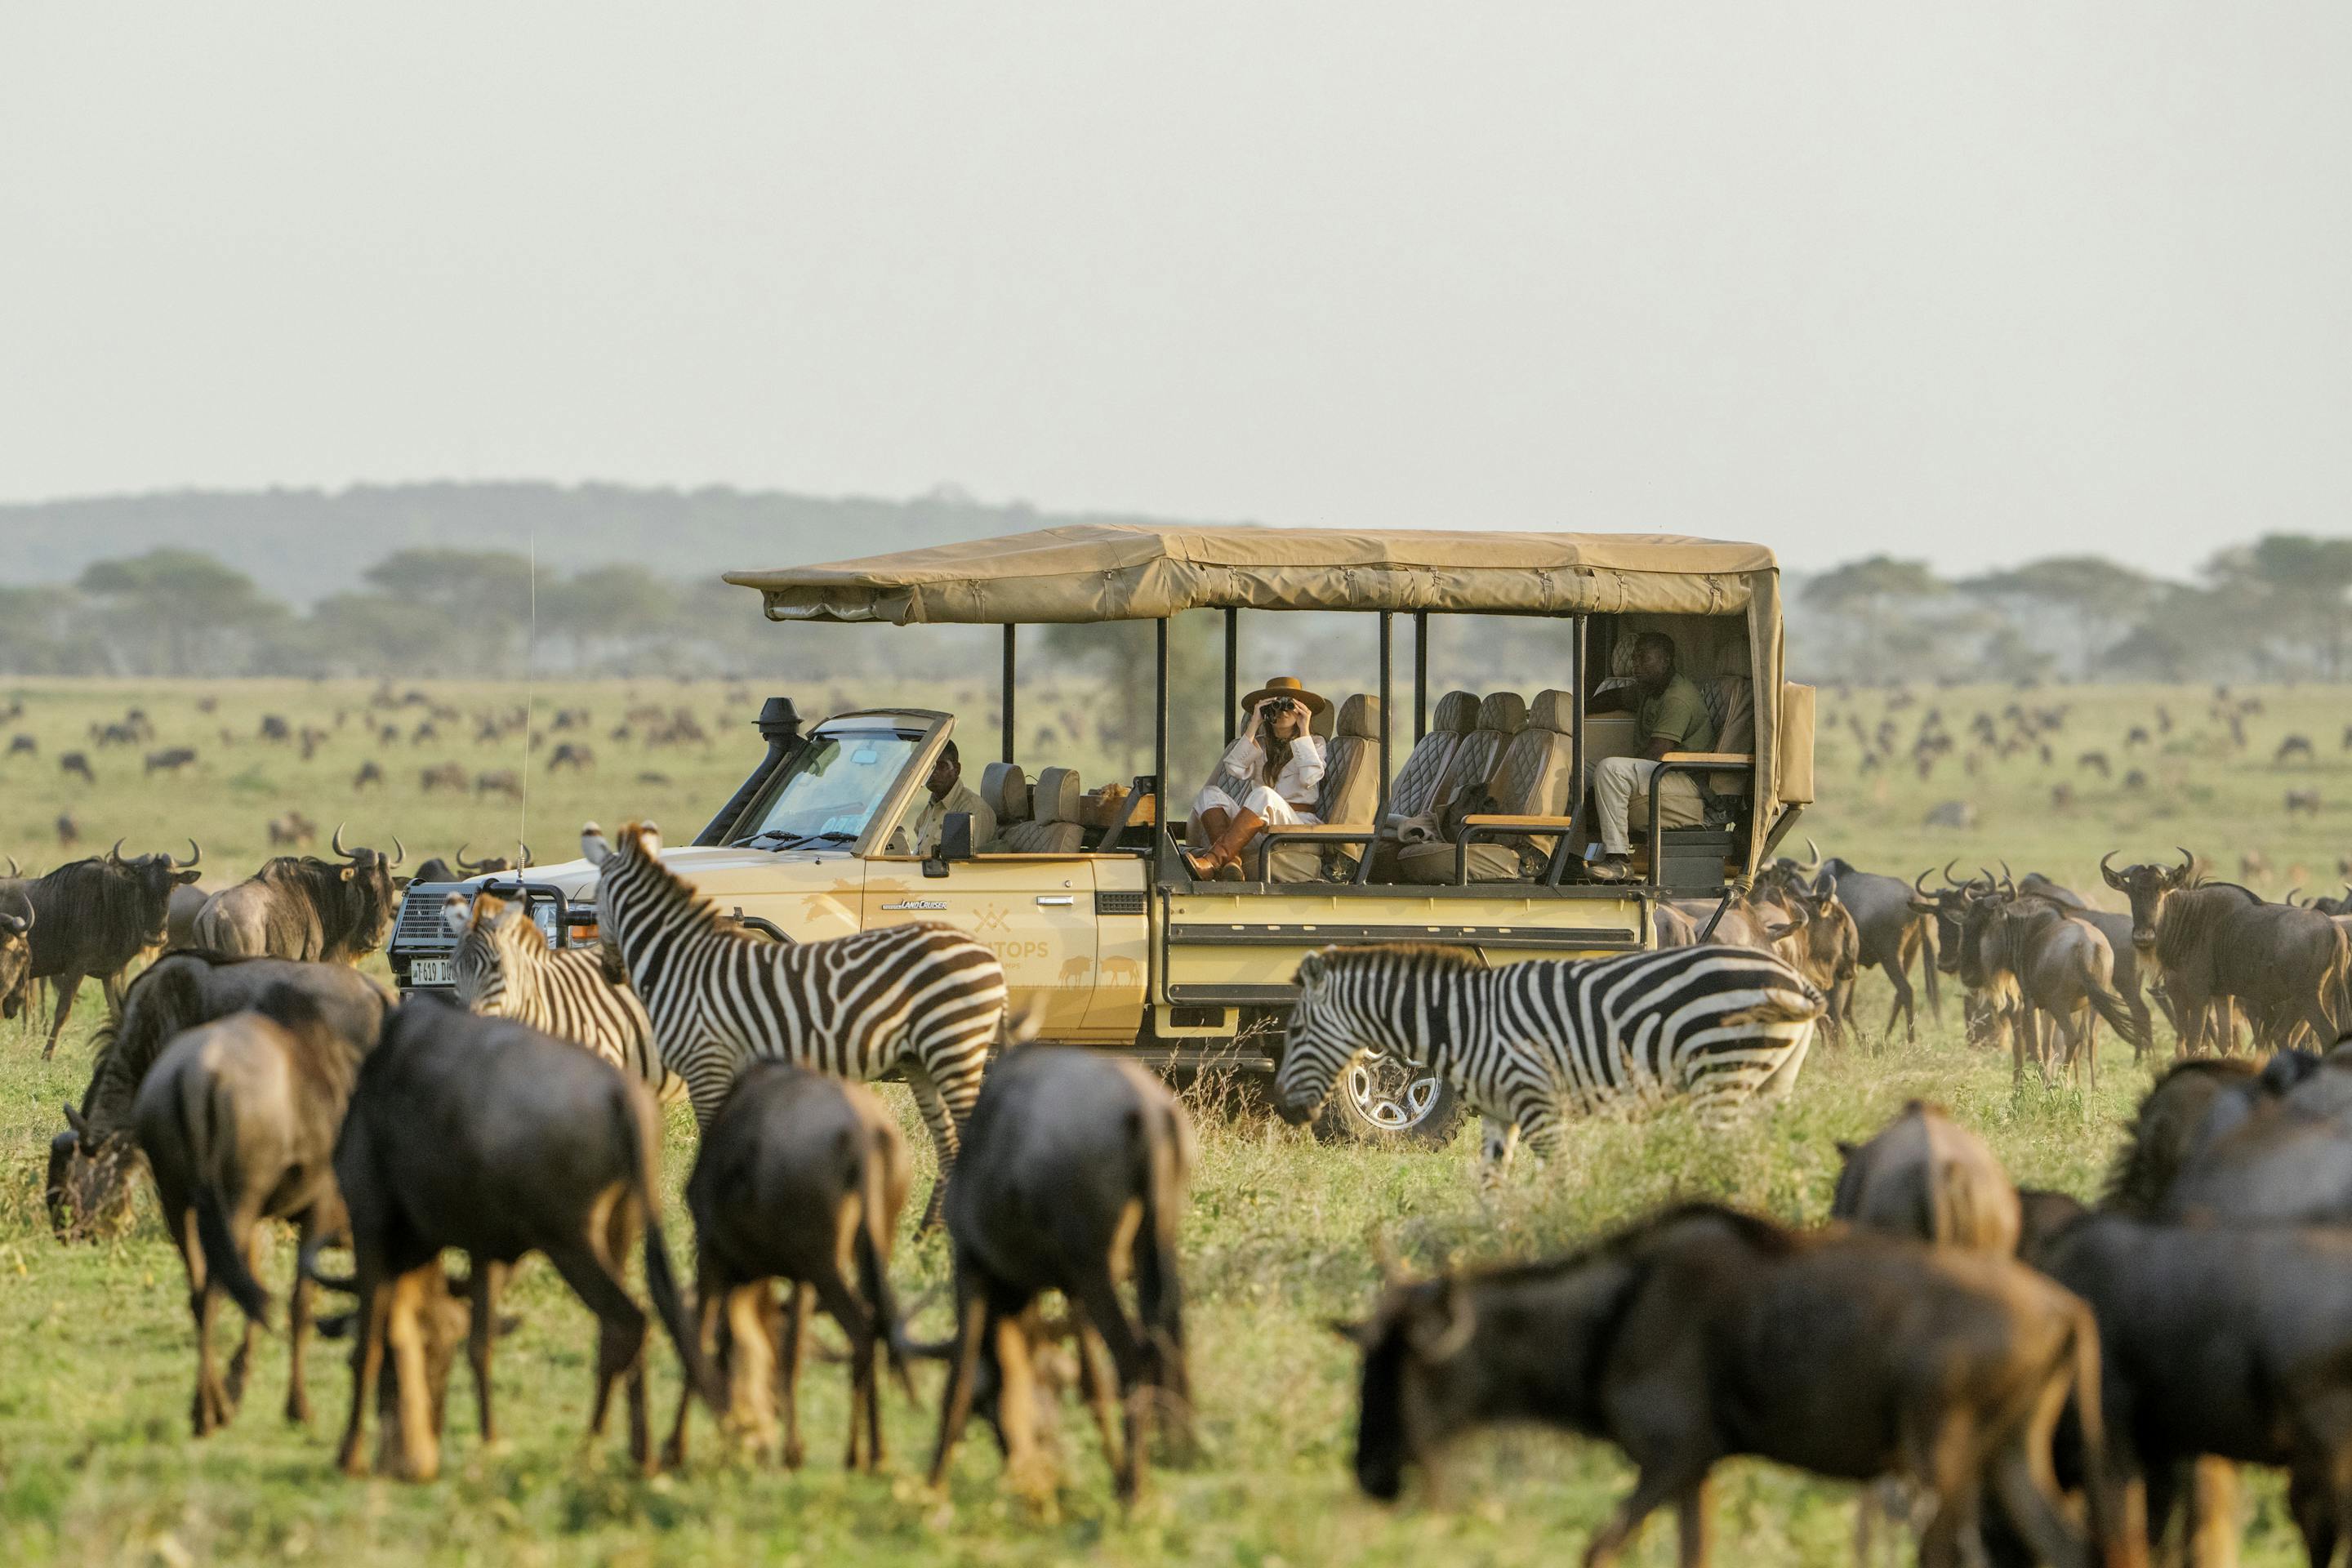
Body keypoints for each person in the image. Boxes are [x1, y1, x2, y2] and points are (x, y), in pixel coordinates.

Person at [1584, 632, 1715, 881]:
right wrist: (1580, 708)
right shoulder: (1650, 688)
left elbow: (1657, 753)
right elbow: (1614, 697)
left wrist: (1604, 787)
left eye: (1643, 658)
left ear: (1665, 660)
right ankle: (1572, 855)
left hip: (1682, 778)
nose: (1635, 664)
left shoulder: (1678, 697)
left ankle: (1619, 860)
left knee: (1610, 770)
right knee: (1580, 770)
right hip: (1661, 772)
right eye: (1634, 658)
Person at [1179, 676, 1327, 880]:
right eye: (1275, 705)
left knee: (1264, 794)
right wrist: (1254, 722)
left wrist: (1304, 729)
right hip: (1260, 828)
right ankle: (1232, 862)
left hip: (1295, 825)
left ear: (1301, 709)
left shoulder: (1315, 743)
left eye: (1290, 705)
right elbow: (1233, 768)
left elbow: (1311, 777)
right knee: (1209, 794)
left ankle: (1213, 861)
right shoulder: (1260, 744)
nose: (1283, 711)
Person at [909, 739, 996, 855]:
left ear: (957, 770)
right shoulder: (931, 808)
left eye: (941, 766)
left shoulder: (974, 811)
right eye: (928, 766)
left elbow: (968, 866)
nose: (933, 772)